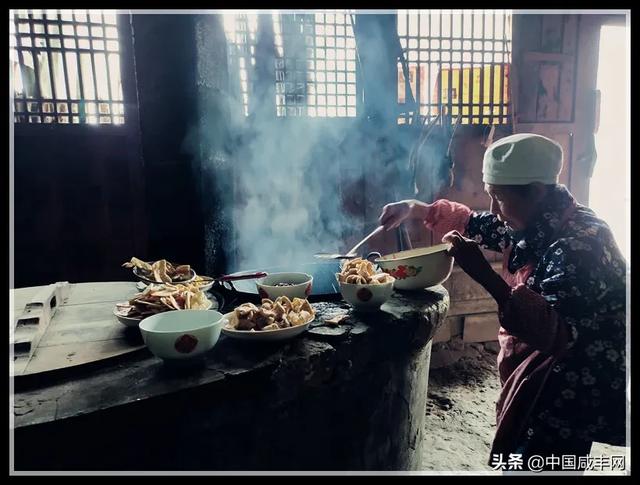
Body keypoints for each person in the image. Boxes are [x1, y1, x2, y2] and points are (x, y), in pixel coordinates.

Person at [378, 133, 627, 472]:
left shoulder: (582, 245)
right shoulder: (544, 217)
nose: (494, 208)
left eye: (499, 197)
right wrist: (414, 208)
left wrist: (483, 272)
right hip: (545, 373)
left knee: (543, 460)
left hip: (569, 382)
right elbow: (483, 223)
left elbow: (550, 333)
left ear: (537, 190)